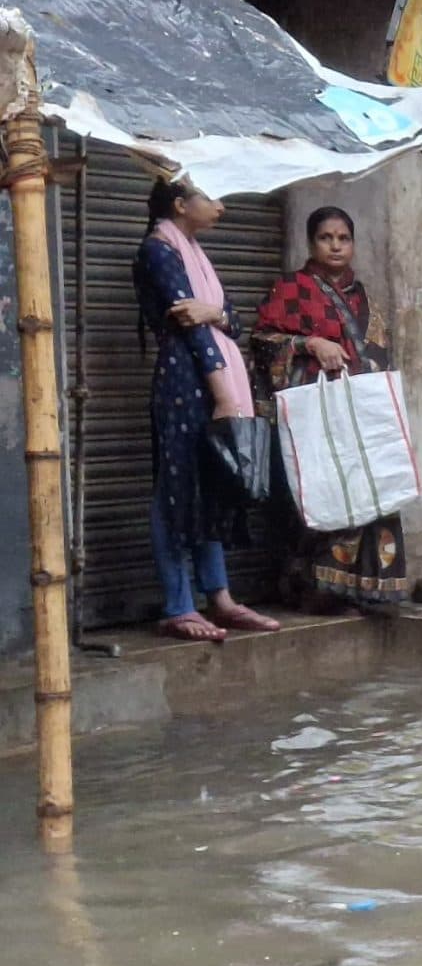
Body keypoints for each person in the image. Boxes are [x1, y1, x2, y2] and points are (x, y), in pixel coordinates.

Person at [134, 177, 278, 644]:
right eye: (210, 197)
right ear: (180, 205)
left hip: (205, 374)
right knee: (173, 489)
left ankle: (220, 597)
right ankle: (180, 605)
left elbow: (229, 319)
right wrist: (221, 388)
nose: (220, 207)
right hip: (184, 379)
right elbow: (188, 325)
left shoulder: (194, 254)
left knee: (212, 482)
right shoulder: (160, 250)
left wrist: (213, 313)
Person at [254, 207, 406, 608]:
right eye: (326, 238)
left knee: (373, 493)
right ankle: (317, 592)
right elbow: (263, 340)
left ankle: (369, 588)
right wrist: (308, 345)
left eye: (343, 238)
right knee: (324, 492)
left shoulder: (363, 295)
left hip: (361, 414)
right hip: (316, 417)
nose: (336, 246)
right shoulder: (291, 289)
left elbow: (379, 350)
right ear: (311, 243)